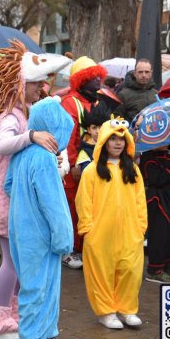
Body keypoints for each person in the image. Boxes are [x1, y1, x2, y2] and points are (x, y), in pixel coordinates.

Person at [0, 42, 71, 339]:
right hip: (6, 200)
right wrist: (31, 136)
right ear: (21, 85)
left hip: (21, 201)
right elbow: (3, 146)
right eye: (36, 83)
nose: (41, 88)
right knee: (12, 263)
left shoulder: (25, 113)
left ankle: (14, 316)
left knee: (20, 264)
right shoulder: (11, 116)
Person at [5, 97, 74, 339]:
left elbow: (9, 186)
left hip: (21, 229)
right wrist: (64, 238)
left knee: (37, 285)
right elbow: (54, 205)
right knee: (40, 287)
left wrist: (25, 205)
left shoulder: (22, 153)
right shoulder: (45, 159)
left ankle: (44, 336)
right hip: (42, 235)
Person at [75, 117, 147, 329]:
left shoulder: (132, 170)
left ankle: (127, 309)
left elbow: (140, 200)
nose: (118, 143)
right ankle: (106, 311)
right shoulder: (92, 171)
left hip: (130, 231)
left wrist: (141, 226)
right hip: (100, 233)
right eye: (113, 138)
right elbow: (84, 201)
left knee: (130, 270)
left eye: (122, 139)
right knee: (101, 272)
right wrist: (87, 228)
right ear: (104, 141)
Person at [61, 56, 107, 269]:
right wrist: (72, 165)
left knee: (90, 207)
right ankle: (69, 250)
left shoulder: (97, 101)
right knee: (72, 208)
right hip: (76, 167)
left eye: (99, 77)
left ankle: (85, 247)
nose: (97, 82)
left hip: (94, 165)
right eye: (92, 78)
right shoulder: (70, 103)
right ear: (80, 81)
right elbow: (68, 137)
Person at [140, 146, 170, 284]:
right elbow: (157, 179)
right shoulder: (148, 159)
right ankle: (155, 270)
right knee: (159, 236)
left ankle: (168, 264)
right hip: (156, 200)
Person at [76, 105, 110, 172]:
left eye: (101, 127)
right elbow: (87, 173)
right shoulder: (85, 152)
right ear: (88, 130)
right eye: (94, 128)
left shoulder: (111, 145)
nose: (98, 131)